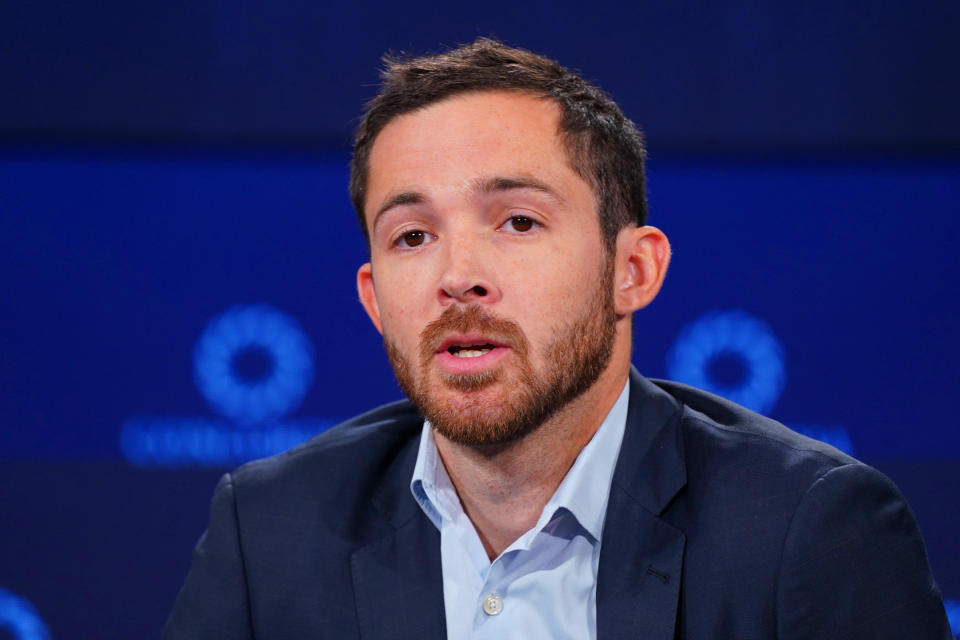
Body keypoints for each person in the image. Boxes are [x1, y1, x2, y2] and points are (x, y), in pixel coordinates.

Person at [163, 38, 951, 639]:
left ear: (632, 270)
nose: (457, 275)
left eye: (518, 221)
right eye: (411, 236)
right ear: (374, 299)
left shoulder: (808, 533)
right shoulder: (269, 532)